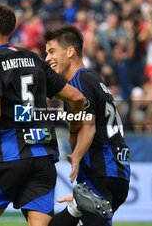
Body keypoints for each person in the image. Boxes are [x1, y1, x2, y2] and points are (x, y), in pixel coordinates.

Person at [0, 2, 86, 226]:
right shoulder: (34, 60)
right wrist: (75, 131)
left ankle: (74, 211)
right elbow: (77, 98)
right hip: (42, 157)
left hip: (7, 158)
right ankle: (74, 211)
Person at [44, 25, 131, 226]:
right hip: (118, 172)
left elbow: (88, 125)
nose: (47, 58)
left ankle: (77, 207)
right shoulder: (95, 80)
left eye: (52, 51)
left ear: (70, 51)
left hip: (100, 171)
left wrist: (77, 155)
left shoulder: (79, 81)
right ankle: (77, 207)